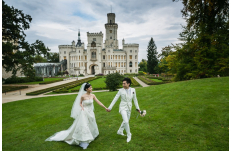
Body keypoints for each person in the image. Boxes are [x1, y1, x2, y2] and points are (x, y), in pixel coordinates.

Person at [45, 83, 109, 149]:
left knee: (90, 123)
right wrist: (82, 107)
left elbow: (98, 102)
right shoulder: (83, 96)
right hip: (84, 112)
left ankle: (91, 134)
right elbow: (80, 103)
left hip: (91, 112)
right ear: (86, 89)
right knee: (84, 125)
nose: (91, 88)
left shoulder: (93, 95)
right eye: (90, 88)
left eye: (91, 87)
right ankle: (84, 140)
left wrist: (105, 108)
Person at [107, 77, 140, 142]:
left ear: (128, 84)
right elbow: (115, 99)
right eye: (122, 83)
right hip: (122, 108)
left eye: (124, 83)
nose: (123, 85)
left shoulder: (133, 90)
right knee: (126, 121)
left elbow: (135, 99)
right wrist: (110, 107)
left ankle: (120, 131)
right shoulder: (120, 90)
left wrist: (138, 108)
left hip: (129, 107)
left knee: (126, 121)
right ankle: (129, 135)